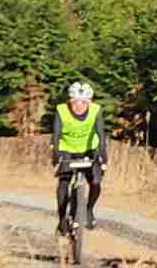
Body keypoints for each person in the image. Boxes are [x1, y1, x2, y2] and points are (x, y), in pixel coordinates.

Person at [49, 79, 117, 238]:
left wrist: (103, 156)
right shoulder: (61, 110)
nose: (79, 106)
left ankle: (89, 209)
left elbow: (101, 134)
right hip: (67, 149)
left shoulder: (96, 110)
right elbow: (56, 135)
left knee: (96, 181)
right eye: (75, 102)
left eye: (84, 102)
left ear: (89, 102)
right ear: (70, 101)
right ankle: (62, 219)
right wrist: (56, 155)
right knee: (64, 182)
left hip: (89, 149)